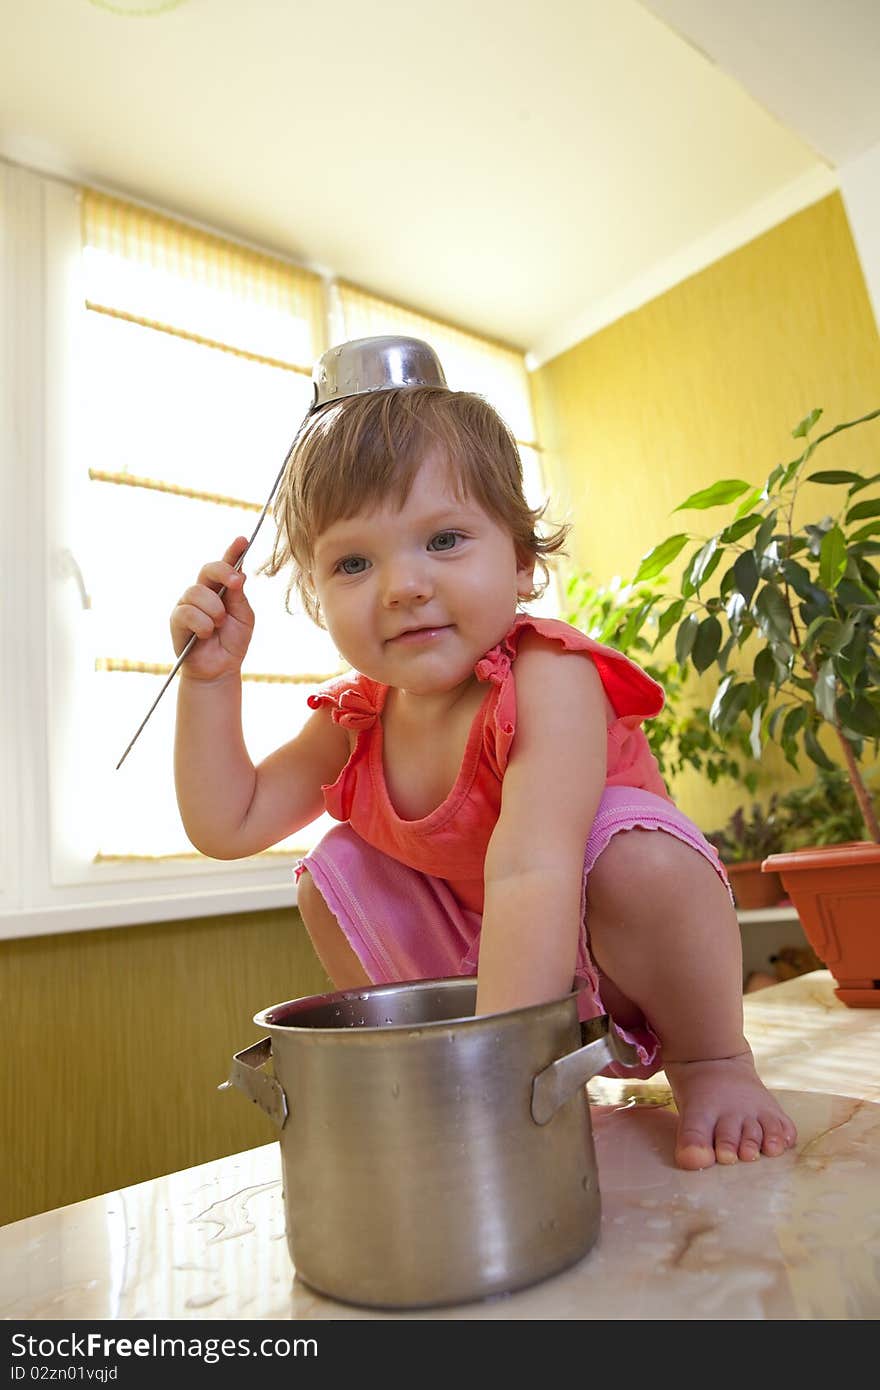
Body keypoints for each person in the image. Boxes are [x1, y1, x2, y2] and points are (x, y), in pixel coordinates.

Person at [171, 383, 797, 1171]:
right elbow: (231, 822)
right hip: (487, 972)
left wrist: (501, 1086)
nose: (402, 586)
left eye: (444, 540)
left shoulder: (547, 675)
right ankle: (431, 1064)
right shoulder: (356, 715)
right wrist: (209, 683)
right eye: (354, 562)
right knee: (331, 871)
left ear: (523, 561)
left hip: (611, 946)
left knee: (634, 856)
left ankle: (712, 1062)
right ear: (315, 591)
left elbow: (535, 868)